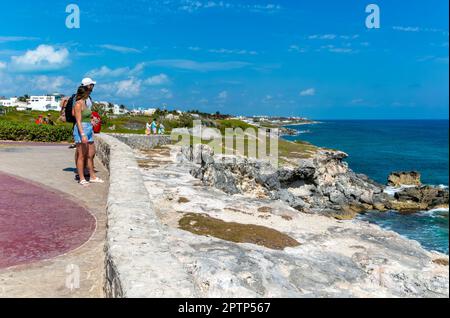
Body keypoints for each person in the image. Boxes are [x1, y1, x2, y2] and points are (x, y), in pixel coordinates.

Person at [73, 85, 104, 186]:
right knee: (82, 155)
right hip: (81, 130)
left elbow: (86, 117)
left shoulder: (85, 103)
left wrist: (92, 120)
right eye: (89, 92)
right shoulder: (78, 104)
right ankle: (82, 178)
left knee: (91, 154)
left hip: (89, 129)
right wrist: (82, 134)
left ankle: (92, 176)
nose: (90, 94)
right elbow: (78, 121)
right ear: (84, 93)